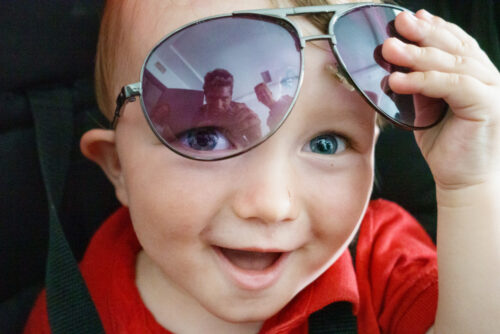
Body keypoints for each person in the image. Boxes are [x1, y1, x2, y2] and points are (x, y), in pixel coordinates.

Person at [24, 0, 500, 333]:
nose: (271, 205)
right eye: (204, 139)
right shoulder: (75, 310)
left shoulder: (382, 262)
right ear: (118, 169)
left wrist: (471, 184)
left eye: (328, 143)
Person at [196, 68, 262, 147]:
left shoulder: (240, 112)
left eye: (224, 99)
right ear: (205, 96)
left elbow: (257, 146)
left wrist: (257, 137)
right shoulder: (199, 113)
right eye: (212, 98)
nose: (218, 105)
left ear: (231, 97)